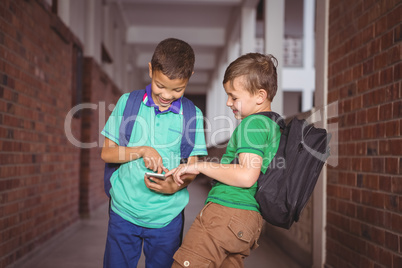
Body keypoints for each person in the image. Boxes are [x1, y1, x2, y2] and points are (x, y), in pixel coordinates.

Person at [166, 53, 282, 267]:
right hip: (246, 221)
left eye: (234, 96)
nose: (229, 102)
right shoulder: (271, 124)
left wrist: (199, 165)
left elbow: (247, 176)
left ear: (260, 96)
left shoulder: (253, 125)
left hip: (226, 212)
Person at [100, 38, 207, 268]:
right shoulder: (128, 103)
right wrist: (141, 150)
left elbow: (193, 167)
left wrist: (175, 186)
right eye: (160, 86)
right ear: (150, 70)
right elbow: (107, 154)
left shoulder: (192, 115)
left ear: (189, 78)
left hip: (167, 218)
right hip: (123, 212)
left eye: (177, 89)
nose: (167, 96)